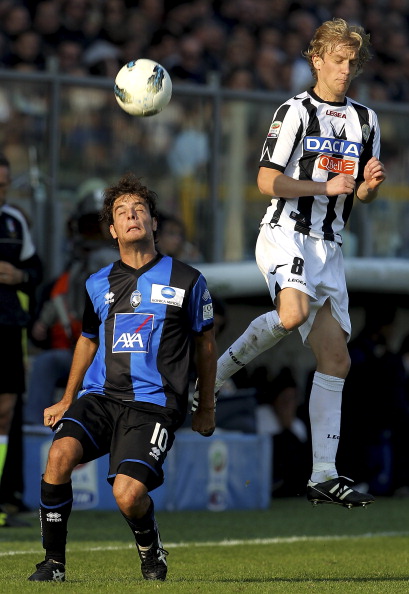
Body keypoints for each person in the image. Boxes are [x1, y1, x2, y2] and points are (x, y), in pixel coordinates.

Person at [202, 18, 387, 508]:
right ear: (317, 60)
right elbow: (266, 180)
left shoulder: (367, 120)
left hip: (331, 248)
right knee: (292, 314)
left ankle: (323, 474)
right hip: (286, 233)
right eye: (337, 59)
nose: (345, 69)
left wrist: (370, 185)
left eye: (352, 62)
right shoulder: (294, 111)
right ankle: (213, 379)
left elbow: (360, 195)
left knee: (337, 360)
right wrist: (322, 186)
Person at [28, 173, 216, 582]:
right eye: (121, 212)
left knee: (127, 495)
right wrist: (67, 398)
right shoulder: (97, 283)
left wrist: (206, 406)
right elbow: (88, 339)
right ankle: (53, 564)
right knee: (58, 457)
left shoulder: (187, 280)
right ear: (112, 230)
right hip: (101, 396)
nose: (131, 216)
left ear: (153, 222)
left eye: (139, 209)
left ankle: (151, 549)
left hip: (154, 405)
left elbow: (205, 344)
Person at [0, 154, 43, 525]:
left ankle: (5, 496)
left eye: (4, 185)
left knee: (6, 411)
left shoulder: (13, 222)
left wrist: (20, 276)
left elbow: (35, 269)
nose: (1, 192)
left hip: (8, 327)